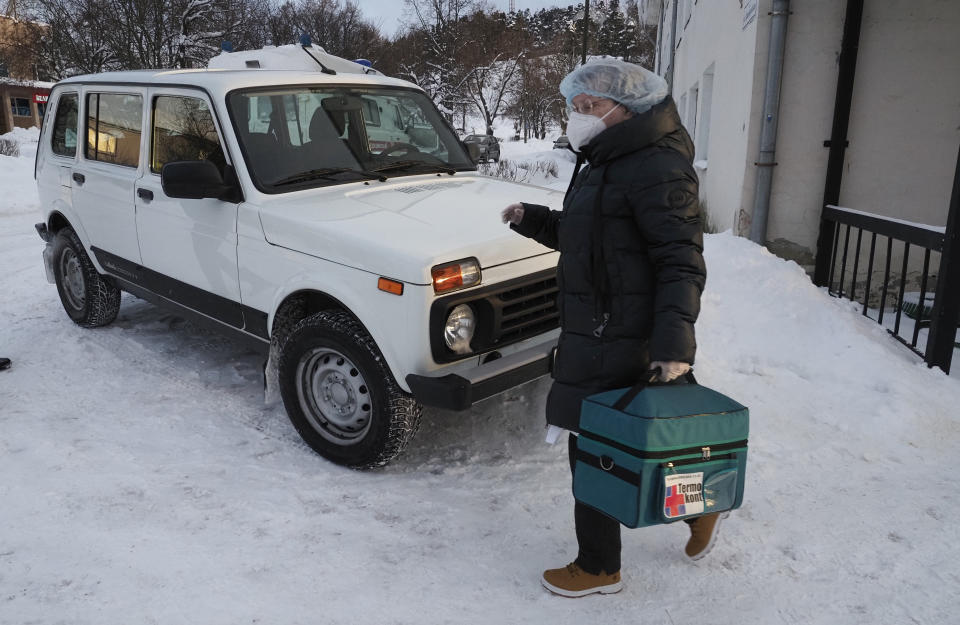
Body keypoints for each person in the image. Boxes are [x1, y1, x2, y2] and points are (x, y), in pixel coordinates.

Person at [501, 59, 711, 597]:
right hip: (596, 326)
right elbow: (589, 234)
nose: (578, 116)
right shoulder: (604, 158)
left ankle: (598, 567)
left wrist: (672, 347)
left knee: (593, 445)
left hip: (624, 334)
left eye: (588, 106)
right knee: (652, 438)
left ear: (623, 107)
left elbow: (679, 261)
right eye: (574, 107)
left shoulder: (658, 166)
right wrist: (534, 220)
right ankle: (698, 509)